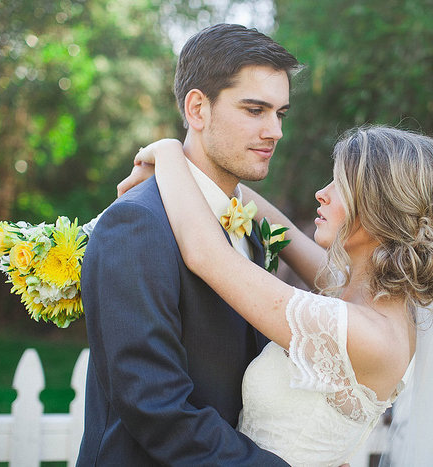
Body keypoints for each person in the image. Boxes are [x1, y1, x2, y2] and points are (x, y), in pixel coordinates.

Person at [120, 125, 433, 466]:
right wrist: (209, 175)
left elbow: (207, 256)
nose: (322, 193)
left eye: (340, 185)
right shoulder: (370, 300)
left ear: (377, 208)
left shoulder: (363, 333)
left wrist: (168, 151)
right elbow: (278, 229)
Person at [77, 24, 298, 465]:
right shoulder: (137, 223)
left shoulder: (251, 227)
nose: (274, 130)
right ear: (197, 108)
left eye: (281, 114)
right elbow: (156, 407)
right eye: (255, 110)